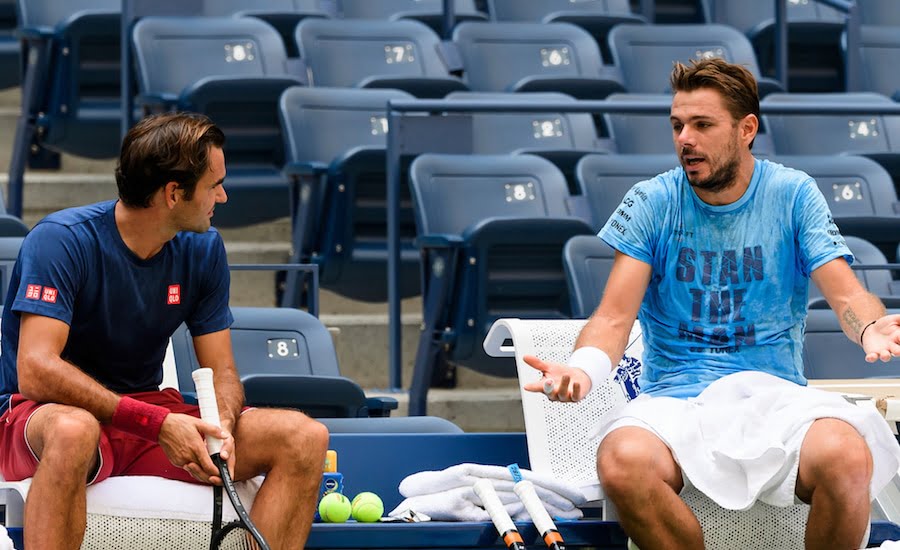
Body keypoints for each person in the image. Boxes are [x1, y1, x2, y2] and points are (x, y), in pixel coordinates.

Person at [523, 58, 900, 549]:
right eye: (678, 125)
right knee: (622, 460)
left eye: (702, 125)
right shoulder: (651, 201)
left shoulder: (793, 194)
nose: (685, 138)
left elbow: (847, 293)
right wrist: (582, 368)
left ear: (746, 129)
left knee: (847, 454)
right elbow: (614, 317)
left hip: (774, 397)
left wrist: (870, 327)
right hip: (675, 402)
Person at [0, 112, 329, 550]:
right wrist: (156, 424)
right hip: (45, 415)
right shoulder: (61, 239)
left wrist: (222, 427)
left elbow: (224, 371)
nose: (223, 196)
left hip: (148, 416)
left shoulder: (204, 247)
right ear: (174, 193)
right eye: (214, 185)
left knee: (305, 438)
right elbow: (35, 371)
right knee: (73, 431)